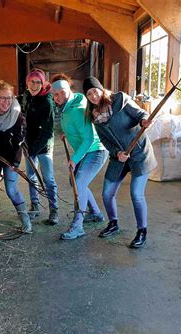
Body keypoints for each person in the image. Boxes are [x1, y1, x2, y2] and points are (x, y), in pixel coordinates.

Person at [83, 76, 157, 248]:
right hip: (119, 157)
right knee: (107, 193)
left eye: (95, 91)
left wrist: (144, 121)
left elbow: (141, 115)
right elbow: (105, 140)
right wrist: (117, 153)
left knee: (136, 195)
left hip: (139, 153)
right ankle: (113, 223)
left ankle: (142, 231)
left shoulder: (121, 100)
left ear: (101, 89)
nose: (93, 96)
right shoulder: (94, 116)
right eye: (89, 94)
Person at [51, 74, 108, 240]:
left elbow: (89, 138)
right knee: (75, 181)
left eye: (62, 92)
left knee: (79, 183)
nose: (60, 96)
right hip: (85, 149)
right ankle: (96, 213)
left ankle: (78, 225)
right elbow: (75, 127)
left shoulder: (76, 109)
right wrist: (66, 134)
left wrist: (74, 160)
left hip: (95, 150)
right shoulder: (67, 108)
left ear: (69, 90)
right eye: (56, 94)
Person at [0, 80, 32, 233]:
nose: (6, 102)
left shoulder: (17, 116)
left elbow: (19, 141)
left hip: (11, 159)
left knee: (11, 190)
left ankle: (26, 222)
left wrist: (13, 163)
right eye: (3, 98)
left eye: (9, 98)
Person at [19, 68, 59, 225]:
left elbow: (48, 132)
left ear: (42, 84)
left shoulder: (47, 102)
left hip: (43, 145)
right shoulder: (26, 97)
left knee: (48, 178)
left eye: (38, 82)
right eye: (32, 82)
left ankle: (54, 209)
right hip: (28, 144)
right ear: (27, 82)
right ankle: (35, 206)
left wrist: (33, 150)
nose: (34, 85)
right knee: (31, 177)